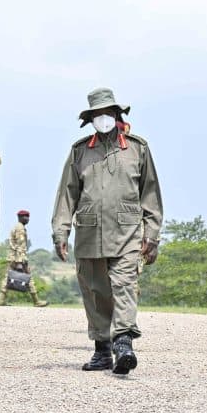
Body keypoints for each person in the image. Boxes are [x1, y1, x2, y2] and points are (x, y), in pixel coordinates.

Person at [52, 88, 163, 374]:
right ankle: (102, 349)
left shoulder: (138, 149)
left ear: (116, 116)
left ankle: (124, 341)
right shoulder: (80, 152)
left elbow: (150, 193)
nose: (103, 119)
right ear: (91, 119)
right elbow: (67, 194)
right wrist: (60, 231)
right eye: (97, 115)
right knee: (96, 291)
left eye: (108, 114)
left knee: (123, 284)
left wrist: (152, 234)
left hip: (127, 233)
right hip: (89, 233)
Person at [0, 210, 48, 307]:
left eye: (28, 217)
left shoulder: (17, 227)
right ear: (20, 218)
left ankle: (1, 300)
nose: (28, 219)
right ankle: (36, 301)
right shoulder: (20, 228)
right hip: (18, 258)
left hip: (12, 257)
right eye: (25, 217)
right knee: (29, 278)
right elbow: (20, 245)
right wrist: (20, 262)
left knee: (8, 277)